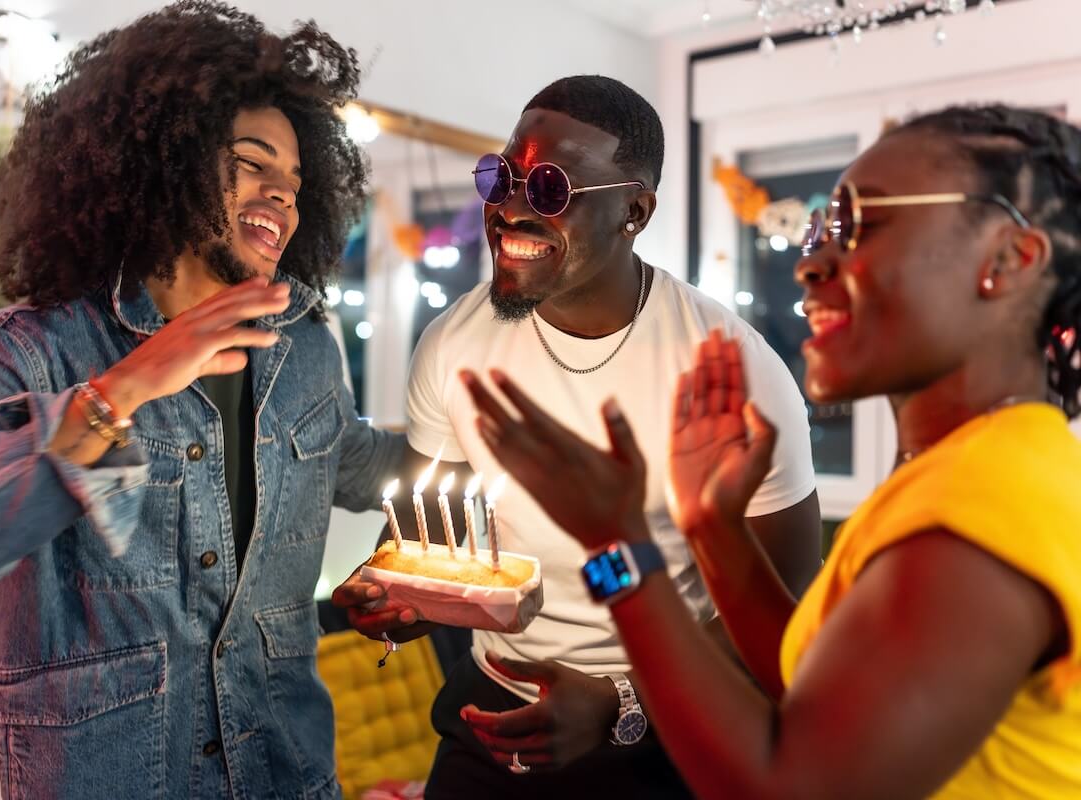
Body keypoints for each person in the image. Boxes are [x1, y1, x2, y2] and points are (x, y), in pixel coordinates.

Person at [461, 104, 1081, 799]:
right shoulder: (974, 468)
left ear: (1006, 259)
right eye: (820, 232)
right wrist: (712, 528)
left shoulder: (989, 505)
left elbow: (793, 786)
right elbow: (810, 682)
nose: (812, 263)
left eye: (858, 226)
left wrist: (618, 548)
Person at [0, 3, 406, 798]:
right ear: (168, 158)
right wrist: (124, 388)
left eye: (296, 179)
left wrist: (514, 420)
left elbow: (366, 465)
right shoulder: (33, 350)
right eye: (253, 162)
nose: (282, 195)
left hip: (286, 779)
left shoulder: (303, 351)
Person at [334, 75, 822, 798]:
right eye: (501, 176)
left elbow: (787, 607)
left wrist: (621, 702)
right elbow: (442, 536)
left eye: (551, 189)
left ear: (634, 211)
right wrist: (408, 597)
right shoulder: (453, 344)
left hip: (666, 725)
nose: (509, 207)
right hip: (491, 710)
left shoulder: (728, 367)